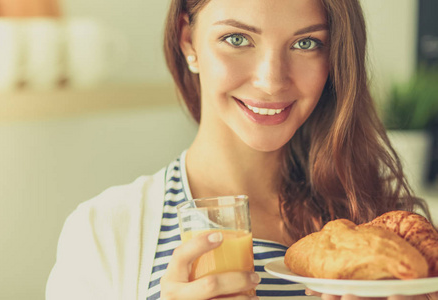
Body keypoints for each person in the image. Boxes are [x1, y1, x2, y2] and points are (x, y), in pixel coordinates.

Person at [46, 0, 436, 299]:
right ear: (188, 41)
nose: (270, 80)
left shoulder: (389, 229)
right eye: (237, 39)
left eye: (305, 43)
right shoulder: (104, 231)